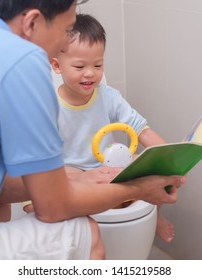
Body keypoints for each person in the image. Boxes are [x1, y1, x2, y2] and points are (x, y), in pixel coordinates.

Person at [0, 0, 186, 260]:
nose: (64, 41)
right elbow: (53, 207)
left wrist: (76, 178)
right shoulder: (21, 61)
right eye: (67, 29)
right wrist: (138, 188)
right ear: (32, 22)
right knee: (85, 233)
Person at [23, 14, 176, 243]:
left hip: (109, 166)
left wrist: (170, 157)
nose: (90, 73)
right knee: (48, 191)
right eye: (79, 66)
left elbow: (141, 129)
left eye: (98, 65)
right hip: (71, 171)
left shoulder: (108, 97)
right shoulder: (49, 107)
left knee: (147, 168)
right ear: (56, 65)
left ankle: (156, 218)